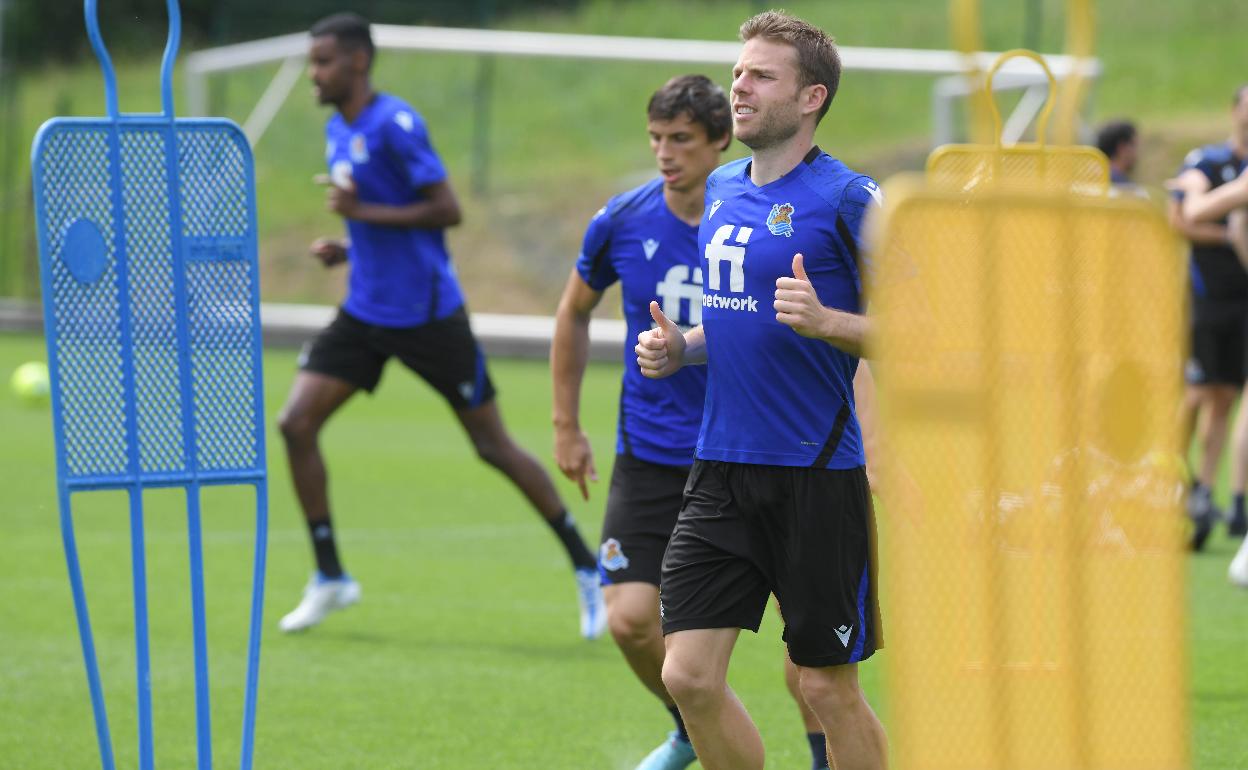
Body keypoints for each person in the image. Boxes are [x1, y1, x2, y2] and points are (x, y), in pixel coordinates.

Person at [276, 13, 605, 636]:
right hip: (365, 309)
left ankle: (588, 571)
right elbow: (375, 219)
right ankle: (330, 576)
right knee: (295, 423)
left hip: (428, 316)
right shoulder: (336, 129)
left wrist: (360, 211)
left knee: (492, 446)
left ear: (358, 63)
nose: (313, 74)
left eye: (322, 62)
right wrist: (347, 246)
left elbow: (445, 210)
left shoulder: (397, 125)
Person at [551, 74, 835, 770]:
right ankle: (688, 727)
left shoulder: (761, 220)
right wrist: (566, 424)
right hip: (649, 453)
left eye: (680, 139)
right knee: (629, 621)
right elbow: (573, 311)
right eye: (655, 138)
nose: (665, 153)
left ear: (718, 142)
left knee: (813, 662)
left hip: (749, 450)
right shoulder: (622, 218)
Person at [635, 12, 885, 770]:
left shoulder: (850, 198)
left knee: (826, 687)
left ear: (810, 98)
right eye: (739, 72)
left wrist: (831, 321)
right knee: (686, 675)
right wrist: (684, 348)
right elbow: (740, 322)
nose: (739, 86)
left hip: (815, 476)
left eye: (761, 76)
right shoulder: (720, 188)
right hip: (719, 470)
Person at [1168, 84, 1248, 548]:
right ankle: (1166, 478)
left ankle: (1204, 490)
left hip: (1243, 303)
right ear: (1233, 110)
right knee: (1198, 394)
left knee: (1224, 399)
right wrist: (1231, 227)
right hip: (1207, 299)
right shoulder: (1209, 161)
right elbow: (1184, 217)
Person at [1095, 119, 1147, 197]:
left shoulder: (1086, 182)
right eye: (1135, 145)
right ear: (1122, 148)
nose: (1137, 153)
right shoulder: (1132, 192)